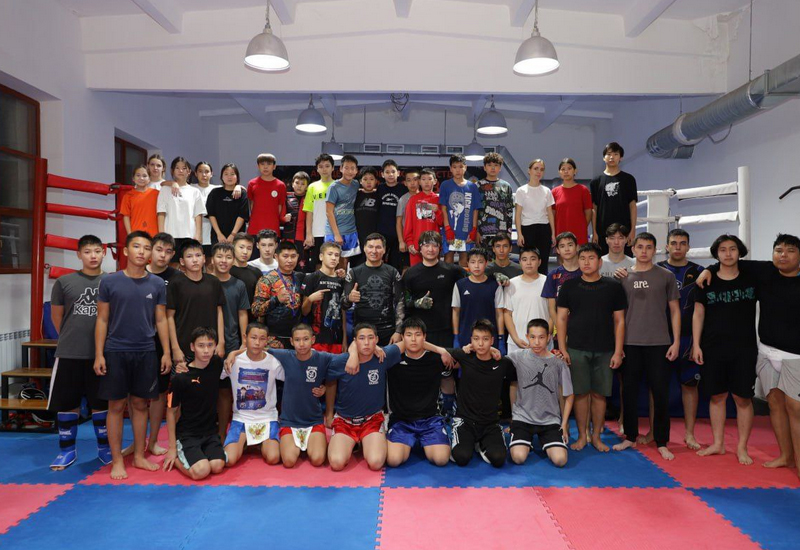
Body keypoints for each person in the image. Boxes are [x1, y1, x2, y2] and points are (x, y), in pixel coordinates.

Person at [697, 233, 800, 473]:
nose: (783, 255)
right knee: (775, 405)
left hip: (795, 356)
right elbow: (729, 260)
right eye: (779, 250)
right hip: (766, 351)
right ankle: (786, 456)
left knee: (795, 409)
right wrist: (708, 270)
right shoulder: (764, 272)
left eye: (790, 251)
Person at [94, 231, 171, 480]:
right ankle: (117, 460)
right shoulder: (109, 282)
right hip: (115, 350)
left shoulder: (157, 284)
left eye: (146, 248)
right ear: (126, 251)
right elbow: (102, 319)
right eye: (137, 246)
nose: (142, 251)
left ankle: (139, 455)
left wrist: (166, 352)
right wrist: (99, 354)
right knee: (116, 406)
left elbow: (161, 319)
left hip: (146, 351)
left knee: (140, 404)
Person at [613, 232, 680, 461]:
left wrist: (676, 341)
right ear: (633, 249)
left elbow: (675, 310)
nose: (643, 251)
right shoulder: (623, 276)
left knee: (660, 393)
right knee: (629, 392)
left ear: (655, 250)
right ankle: (630, 436)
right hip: (630, 343)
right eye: (640, 246)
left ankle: (661, 441)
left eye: (648, 247)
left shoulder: (666, 276)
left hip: (659, 343)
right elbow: (617, 315)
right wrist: (618, 346)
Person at [692, 234, 757, 465]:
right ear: (716, 253)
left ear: (740, 252)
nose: (728, 254)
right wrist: (696, 345)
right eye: (722, 250)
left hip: (744, 349)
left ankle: (742, 447)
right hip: (713, 347)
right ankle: (718, 443)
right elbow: (698, 314)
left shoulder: (751, 278)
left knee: (743, 398)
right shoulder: (706, 281)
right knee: (717, 396)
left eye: (732, 249)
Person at [556, 243, 626, 452]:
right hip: (577, 347)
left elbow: (619, 321)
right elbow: (561, 319)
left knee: (599, 394)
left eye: (591, 258)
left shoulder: (613, 286)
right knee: (580, 394)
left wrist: (618, 351)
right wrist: (563, 348)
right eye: (583, 258)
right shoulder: (569, 286)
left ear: (600, 261)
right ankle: (582, 436)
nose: (586, 262)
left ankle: (596, 437)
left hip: (605, 349)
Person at [49, 235, 109, 470]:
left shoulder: (111, 281)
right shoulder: (64, 282)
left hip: (101, 354)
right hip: (70, 352)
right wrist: (72, 338)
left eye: (97, 251)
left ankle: (105, 449)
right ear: (79, 254)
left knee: (101, 403)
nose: (93, 256)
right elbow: (57, 318)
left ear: (104, 252)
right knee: (67, 402)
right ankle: (67, 451)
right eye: (87, 252)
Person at [121, 232, 180, 458]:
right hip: (134, 341)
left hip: (162, 341)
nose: (162, 255)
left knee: (158, 393)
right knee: (133, 394)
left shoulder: (177, 277)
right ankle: (137, 442)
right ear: (150, 250)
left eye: (168, 251)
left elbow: (172, 314)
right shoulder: (135, 273)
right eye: (158, 250)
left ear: (173, 255)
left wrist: (171, 349)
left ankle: (153, 441)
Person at [652, 228, 705, 450]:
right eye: (674, 243)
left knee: (690, 386)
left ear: (688, 247)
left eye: (682, 243)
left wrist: (697, 343)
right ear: (667, 246)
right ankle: (653, 432)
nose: (678, 247)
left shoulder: (699, 272)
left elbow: (701, 310)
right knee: (656, 387)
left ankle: (689, 434)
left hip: (687, 339)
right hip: (659, 338)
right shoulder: (655, 270)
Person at [402, 231, 465, 416]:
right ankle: (424, 410)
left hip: (446, 329)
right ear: (420, 248)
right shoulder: (411, 273)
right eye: (426, 245)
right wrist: (416, 303)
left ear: (440, 248)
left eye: (434, 245)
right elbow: (403, 301)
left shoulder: (452, 270)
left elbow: (475, 277)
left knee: (447, 372)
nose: (430, 249)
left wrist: (495, 276)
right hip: (421, 333)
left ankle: (448, 411)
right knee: (423, 373)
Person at [326, 324, 403, 471]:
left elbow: (408, 343)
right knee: (336, 463)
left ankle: (364, 441)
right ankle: (355, 442)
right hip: (345, 421)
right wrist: (329, 414)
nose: (366, 343)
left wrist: (441, 350)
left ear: (377, 340)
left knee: (376, 462)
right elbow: (330, 383)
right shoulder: (340, 361)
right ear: (355, 341)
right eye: (361, 338)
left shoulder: (382, 356)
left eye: (370, 338)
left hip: (371, 419)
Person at [385, 318, 454, 467]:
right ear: (402, 337)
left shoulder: (436, 358)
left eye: (418, 335)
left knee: (441, 459)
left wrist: (493, 350)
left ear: (424, 337)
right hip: (402, 420)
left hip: (430, 419)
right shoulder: (392, 359)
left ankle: (429, 440)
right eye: (409, 335)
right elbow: (370, 352)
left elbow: (470, 352)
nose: (413, 339)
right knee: (394, 460)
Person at [268, 324, 338, 467]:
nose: (301, 344)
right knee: (288, 461)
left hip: (313, 420)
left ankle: (313, 444)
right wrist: (234, 353)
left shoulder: (323, 358)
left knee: (318, 460)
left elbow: (346, 358)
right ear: (291, 341)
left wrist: (325, 388)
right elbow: (257, 349)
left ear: (313, 339)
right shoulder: (285, 356)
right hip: (290, 421)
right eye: (297, 340)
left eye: (305, 339)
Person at [222, 323, 290, 467]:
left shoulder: (273, 362)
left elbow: (292, 380)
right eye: (253, 338)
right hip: (241, 419)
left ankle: (257, 443)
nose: (257, 342)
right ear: (245, 338)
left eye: (262, 338)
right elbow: (212, 375)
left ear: (267, 341)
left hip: (267, 418)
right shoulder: (233, 361)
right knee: (229, 460)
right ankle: (248, 442)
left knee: (273, 458)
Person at [507, 319, 573, 467]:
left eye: (541, 337)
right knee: (518, 457)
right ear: (527, 337)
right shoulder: (517, 357)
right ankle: (524, 440)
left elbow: (569, 395)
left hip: (550, 420)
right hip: (523, 418)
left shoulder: (558, 362)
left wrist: (564, 424)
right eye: (532, 337)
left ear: (549, 337)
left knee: (560, 460)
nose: (537, 342)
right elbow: (495, 359)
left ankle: (546, 441)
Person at [162, 328, 225, 480]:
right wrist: (171, 448)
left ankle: (200, 455)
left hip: (210, 432)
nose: (206, 350)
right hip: (188, 434)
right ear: (192, 347)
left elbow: (240, 354)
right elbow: (170, 412)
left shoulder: (217, 364)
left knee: (217, 466)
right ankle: (178, 460)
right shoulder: (181, 377)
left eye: (210, 345)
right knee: (201, 471)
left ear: (215, 346)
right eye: (201, 346)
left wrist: (234, 354)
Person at [449, 319, 511, 468]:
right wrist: (463, 349)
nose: (481, 344)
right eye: (476, 339)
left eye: (485, 339)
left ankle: (480, 444)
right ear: (471, 340)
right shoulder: (465, 357)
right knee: (461, 457)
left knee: (499, 459)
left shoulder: (502, 363)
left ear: (492, 341)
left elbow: (518, 374)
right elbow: (441, 352)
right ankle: (469, 442)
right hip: (465, 421)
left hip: (490, 423)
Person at [166, 239, 226, 368]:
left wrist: (221, 342)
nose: (194, 260)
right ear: (182, 261)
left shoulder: (214, 282)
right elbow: (169, 316)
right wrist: (175, 348)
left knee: (210, 380)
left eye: (198, 255)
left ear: (204, 258)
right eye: (189, 256)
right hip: (184, 347)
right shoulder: (175, 283)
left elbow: (219, 312)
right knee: (183, 380)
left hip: (210, 347)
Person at [212, 242, 250, 439]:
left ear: (233, 260)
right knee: (205, 390)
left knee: (226, 391)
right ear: (212, 259)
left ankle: (222, 433)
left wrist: (244, 341)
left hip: (232, 343)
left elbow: (242, 313)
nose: (223, 261)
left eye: (228, 257)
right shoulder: (206, 281)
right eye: (219, 256)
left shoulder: (238, 285)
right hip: (206, 345)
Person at [343, 233, 404, 346]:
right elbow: (343, 305)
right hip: (362, 332)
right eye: (370, 247)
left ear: (384, 250)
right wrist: (349, 298)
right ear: (364, 248)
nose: (374, 251)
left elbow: (400, 302)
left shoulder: (392, 272)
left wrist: (398, 331)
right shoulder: (354, 273)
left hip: (388, 331)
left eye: (378, 247)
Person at [251, 240, 305, 347]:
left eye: (293, 256)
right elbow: (255, 310)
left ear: (298, 257)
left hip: (296, 338)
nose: (290, 260)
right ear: (276, 256)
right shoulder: (266, 279)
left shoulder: (300, 277)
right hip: (273, 339)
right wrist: (276, 300)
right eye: (285, 256)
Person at [452, 248, 504, 352]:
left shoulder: (495, 285)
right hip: (465, 336)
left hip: (489, 337)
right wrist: (456, 337)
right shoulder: (460, 285)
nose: (476, 266)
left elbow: (499, 313)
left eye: (480, 262)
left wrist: (501, 338)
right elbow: (455, 312)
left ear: (486, 263)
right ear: (467, 263)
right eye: (473, 262)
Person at [590, 142, 637, 254]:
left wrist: (632, 230)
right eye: (609, 154)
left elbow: (632, 206)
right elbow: (594, 208)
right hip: (602, 231)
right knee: (602, 261)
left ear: (621, 157)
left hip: (624, 230)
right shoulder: (596, 181)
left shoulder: (629, 179)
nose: (612, 157)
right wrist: (594, 232)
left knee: (625, 261)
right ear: (604, 157)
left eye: (615, 154)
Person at [301, 241, 347, 353]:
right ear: (321, 256)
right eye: (330, 254)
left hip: (336, 338)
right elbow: (303, 312)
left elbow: (343, 311)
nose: (333, 258)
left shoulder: (342, 281)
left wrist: (345, 339)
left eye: (336, 255)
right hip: (316, 338)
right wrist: (310, 299)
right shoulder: (311, 278)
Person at [504, 246, 550, 352]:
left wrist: (547, 335)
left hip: (543, 342)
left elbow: (553, 313)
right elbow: (507, 314)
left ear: (539, 262)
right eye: (524, 259)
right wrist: (515, 338)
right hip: (516, 342)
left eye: (533, 259)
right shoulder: (511, 284)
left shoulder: (548, 282)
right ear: (520, 262)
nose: (528, 263)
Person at [440, 154, 482, 266]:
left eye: (460, 166)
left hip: (466, 231)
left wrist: (474, 229)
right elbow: (443, 209)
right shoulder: (445, 185)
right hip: (450, 231)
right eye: (454, 167)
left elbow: (475, 210)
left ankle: (462, 279)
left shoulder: (472, 186)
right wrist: (447, 228)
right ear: (450, 169)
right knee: (448, 259)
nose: (458, 170)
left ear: (465, 167)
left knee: (465, 260)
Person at [515, 159, 555, 275]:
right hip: (527, 229)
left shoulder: (547, 191)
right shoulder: (521, 191)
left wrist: (553, 233)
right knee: (528, 262)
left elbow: (550, 214)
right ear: (529, 171)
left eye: (541, 169)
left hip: (544, 229)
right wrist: (519, 234)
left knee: (543, 262)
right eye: (536, 169)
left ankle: (543, 284)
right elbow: (518, 215)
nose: (538, 172)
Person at [157, 157, 205, 254]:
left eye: (184, 168)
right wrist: (161, 235)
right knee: (171, 261)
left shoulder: (195, 191)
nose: (181, 171)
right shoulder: (165, 190)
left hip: (189, 234)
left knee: (189, 261)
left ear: (189, 171)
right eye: (177, 168)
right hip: (170, 235)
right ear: (172, 171)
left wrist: (198, 234)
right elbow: (161, 213)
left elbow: (198, 215)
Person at [541, 232, 582, 337]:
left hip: (583, 327)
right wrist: (561, 328)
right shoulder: (553, 275)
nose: (567, 249)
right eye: (562, 246)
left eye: (570, 245)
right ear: (558, 250)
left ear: (577, 247)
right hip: (560, 328)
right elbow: (552, 308)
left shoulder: (586, 272)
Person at [326, 154, 361, 267]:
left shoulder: (355, 184)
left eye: (352, 168)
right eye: (346, 168)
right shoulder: (333, 187)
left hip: (351, 231)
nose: (349, 171)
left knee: (345, 264)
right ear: (341, 169)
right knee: (333, 264)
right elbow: (329, 212)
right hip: (334, 232)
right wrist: (337, 234)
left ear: (356, 170)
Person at [476, 152, 514, 253]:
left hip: (501, 233)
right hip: (483, 233)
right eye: (489, 165)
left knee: (501, 260)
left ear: (500, 167)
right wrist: (475, 231)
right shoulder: (477, 186)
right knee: (483, 260)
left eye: (496, 165)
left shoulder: (506, 186)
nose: (493, 168)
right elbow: (474, 211)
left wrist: (509, 233)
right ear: (484, 167)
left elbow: (509, 211)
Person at [404, 169, 443, 266]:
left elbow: (442, 223)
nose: (426, 182)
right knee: (416, 273)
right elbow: (408, 224)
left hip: (433, 245)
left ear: (435, 181)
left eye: (429, 179)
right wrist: (409, 243)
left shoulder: (439, 200)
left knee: (433, 272)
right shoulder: (413, 200)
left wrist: (437, 211)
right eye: (423, 179)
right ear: (419, 182)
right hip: (416, 246)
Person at [303, 154, 336, 271]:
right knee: (317, 263)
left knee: (335, 262)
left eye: (327, 166)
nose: (324, 169)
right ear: (317, 169)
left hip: (335, 233)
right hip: (317, 232)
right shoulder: (312, 187)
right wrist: (309, 234)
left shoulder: (338, 186)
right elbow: (309, 212)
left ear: (333, 168)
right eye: (321, 166)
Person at [552, 158, 593, 245]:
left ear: (575, 171)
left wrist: (581, 226)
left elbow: (588, 213)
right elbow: (552, 215)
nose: (566, 171)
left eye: (569, 168)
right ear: (559, 172)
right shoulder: (554, 192)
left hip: (579, 234)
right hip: (560, 234)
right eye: (563, 169)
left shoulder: (583, 190)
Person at [207, 163, 249, 245]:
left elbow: (242, 215)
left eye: (232, 174)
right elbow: (211, 214)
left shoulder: (242, 193)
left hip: (237, 236)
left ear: (237, 177)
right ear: (221, 177)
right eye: (226, 174)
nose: (229, 177)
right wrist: (219, 234)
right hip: (218, 236)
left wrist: (233, 234)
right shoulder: (215, 192)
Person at [377, 159, 407, 270]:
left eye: (393, 172)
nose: (390, 174)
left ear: (398, 173)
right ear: (382, 174)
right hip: (381, 232)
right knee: (378, 262)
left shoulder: (403, 189)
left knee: (395, 264)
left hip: (398, 234)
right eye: (387, 172)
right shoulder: (380, 188)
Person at [247, 153, 286, 238]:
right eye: (262, 164)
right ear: (258, 166)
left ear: (274, 166)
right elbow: (251, 204)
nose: (265, 167)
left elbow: (280, 207)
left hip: (273, 227)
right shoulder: (252, 183)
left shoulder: (281, 185)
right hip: (255, 227)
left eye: (269, 164)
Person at [230, 233, 264, 321]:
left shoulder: (256, 272)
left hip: (251, 319)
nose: (245, 252)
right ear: (233, 247)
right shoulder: (226, 271)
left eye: (249, 248)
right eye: (241, 247)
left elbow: (260, 300)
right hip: (229, 319)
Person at [351, 166, 380, 267]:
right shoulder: (355, 195)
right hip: (356, 236)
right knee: (357, 265)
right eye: (365, 179)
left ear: (376, 181)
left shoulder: (379, 196)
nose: (368, 182)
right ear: (360, 181)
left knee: (372, 264)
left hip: (373, 236)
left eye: (371, 179)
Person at [191, 161, 220, 260]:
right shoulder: (190, 187)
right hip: (194, 232)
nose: (204, 175)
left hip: (212, 232)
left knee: (210, 262)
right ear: (195, 173)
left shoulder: (217, 189)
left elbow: (233, 187)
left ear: (211, 174)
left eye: (207, 171)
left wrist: (238, 187)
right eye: (200, 171)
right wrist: (174, 184)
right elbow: (166, 183)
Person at [121, 165, 159, 236]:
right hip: (136, 234)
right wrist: (130, 234)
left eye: (144, 176)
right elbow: (126, 216)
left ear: (149, 179)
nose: (141, 178)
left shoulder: (156, 194)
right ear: (133, 178)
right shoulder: (128, 196)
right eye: (138, 175)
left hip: (154, 234)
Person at [282, 171, 309, 270]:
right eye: (297, 183)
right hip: (287, 237)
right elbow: (279, 216)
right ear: (292, 183)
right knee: (285, 265)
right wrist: (284, 218)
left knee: (301, 268)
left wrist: (309, 237)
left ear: (307, 186)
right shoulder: (286, 196)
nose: (299, 186)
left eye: (303, 184)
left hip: (303, 239)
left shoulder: (310, 198)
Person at [395, 168, 420, 270]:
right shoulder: (403, 199)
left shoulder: (425, 197)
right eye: (409, 180)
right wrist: (401, 241)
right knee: (407, 268)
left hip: (422, 239)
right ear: (405, 183)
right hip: (408, 239)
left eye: (415, 179)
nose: (412, 183)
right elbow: (399, 222)